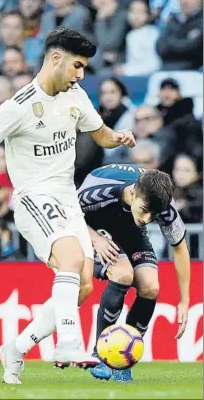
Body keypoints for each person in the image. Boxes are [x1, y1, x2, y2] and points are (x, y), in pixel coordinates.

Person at [0, 28, 135, 384]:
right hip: (33, 196)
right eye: (77, 66)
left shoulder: (76, 96)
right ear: (56, 58)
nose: (81, 75)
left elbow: (100, 134)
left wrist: (117, 137)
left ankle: (16, 348)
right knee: (70, 261)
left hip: (66, 197)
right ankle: (68, 342)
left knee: (83, 285)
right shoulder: (17, 107)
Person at [76, 164, 190, 382]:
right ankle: (102, 354)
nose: (148, 219)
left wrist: (184, 301)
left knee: (150, 287)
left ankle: (123, 362)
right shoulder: (100, 189)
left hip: (129, 230)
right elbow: (68, 212)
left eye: (153, 215)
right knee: (123, 273)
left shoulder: (162, 202)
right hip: (90, 228)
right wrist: (96, 239)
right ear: (133, 193)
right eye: (145, 210)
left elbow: (180, 248)